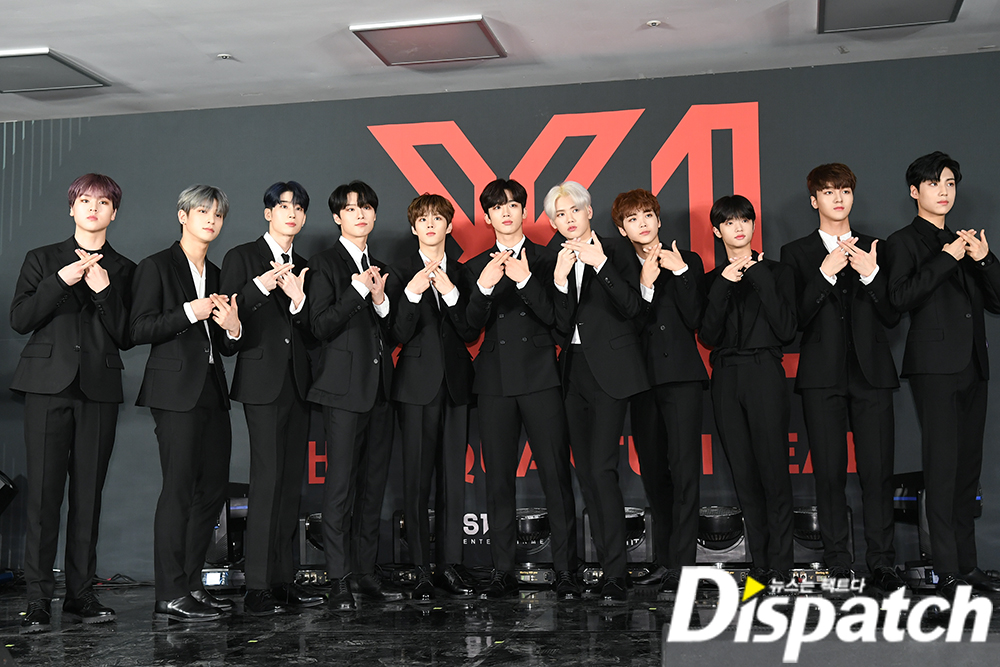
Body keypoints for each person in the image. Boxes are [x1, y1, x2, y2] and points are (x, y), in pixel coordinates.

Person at [11, 174, 135, 633]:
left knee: (88, 497)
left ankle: (81, 594)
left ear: (114, 213)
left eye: (103, 202)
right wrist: (59, 281)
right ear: (72, 208)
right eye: (85, 200)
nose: (93, 208)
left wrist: (103, 291)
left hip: (99, 389)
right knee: (44, 496)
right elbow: (20, 319)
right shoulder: (42, 258)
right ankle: (38, 598)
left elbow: (127, 334)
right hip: (47, 387)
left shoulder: (125, 268)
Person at [780, 164, 903, 591]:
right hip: (821, 377)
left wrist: (870, 273)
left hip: (873, 376)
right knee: (828, 474)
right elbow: (794, 321)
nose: (838, 198)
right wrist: (825, 273)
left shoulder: (877, 248)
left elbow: (892, 315)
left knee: (878, 473)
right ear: (814, 200)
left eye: (845, 191)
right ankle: (837, 560)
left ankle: (882, 561)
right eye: (829, 192)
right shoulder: (796, 253)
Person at [885, 152, 1000, 598]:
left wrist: (985, 259)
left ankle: (968, 566)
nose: (944, 191)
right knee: (942, 468)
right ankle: (946, 570)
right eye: (934, 183)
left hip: (973, 365)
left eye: (950, 183)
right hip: (934, 368)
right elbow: (899, 298)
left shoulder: (965, 240)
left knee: (968, 471)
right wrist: (947, 259)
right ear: (915, 192)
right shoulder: (903, 242)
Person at [465, 178, 580, 600]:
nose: (506, 212)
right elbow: (467, 328)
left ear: (525, 211)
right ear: (488, 216)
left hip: (540, 377)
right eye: (498, 207)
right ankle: (502, 570)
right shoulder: (475, 266)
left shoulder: (549, 258)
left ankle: (566, 570)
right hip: (494, 381)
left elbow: (559, 321)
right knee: (498, 479)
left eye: (513, 205)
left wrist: (527, 279)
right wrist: (484, 287)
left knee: (555, 475)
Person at [131, 184, 241, 622]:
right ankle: (170, 593)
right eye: (202, 212)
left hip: (212, 391)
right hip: (174, 392)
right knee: (178, 490)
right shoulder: (156, 266)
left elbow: (227, 345)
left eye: (218, 215)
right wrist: (189, 313)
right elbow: (139, 328)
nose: (211, 220)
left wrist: (233, 328)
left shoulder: (218, 273)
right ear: (183, 215)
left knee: (212, 491)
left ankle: (192, 584)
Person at [219, 181, 322, 615]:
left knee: (290, 484)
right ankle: (257, 585)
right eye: (283, 206)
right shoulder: (242, 257)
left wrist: (299, 303)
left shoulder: (307, 266)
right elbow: (227, 318)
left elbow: (315, 330)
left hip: (299, 382)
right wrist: (260, 288)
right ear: (268, 213)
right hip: (262, 382)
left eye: (299, 208)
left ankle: (284, 579)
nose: (291, 214)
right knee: (266, 481)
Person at [548, 181, 648, 601]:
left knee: (603, 469)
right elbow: (558, 327)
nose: (569, 219)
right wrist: (558, 280)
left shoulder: (619, 250)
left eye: (575, 210)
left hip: (612, 371)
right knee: (587, 472)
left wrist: (601, 264)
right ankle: (605, 564)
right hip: (572, 372)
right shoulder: (553, 258)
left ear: (589, 211)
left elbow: (634, 308)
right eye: (560, 215)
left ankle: (616, 573)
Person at [307, 180, 399, 610]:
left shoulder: (381, 267)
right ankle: (338, 577)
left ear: (375, 214)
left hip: (379, 389)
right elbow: (319, 325)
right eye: (350, 208)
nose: (359, 214)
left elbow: (392, 331)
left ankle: (364, 572)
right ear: (337, 217)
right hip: (342, 391)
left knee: (372, 488)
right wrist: (358, 292)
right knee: (340, 488)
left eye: (366, 207)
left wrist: (380, 300)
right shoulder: (324, 264)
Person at [611, 188, 707, 593]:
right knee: (654, 473)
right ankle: (665, 560)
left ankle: (684, 566)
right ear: (622, 229)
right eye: (633, 219)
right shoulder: (617, 268)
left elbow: (698, 318)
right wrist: (645, 286)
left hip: (682, 378)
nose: (643, 223)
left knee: (685, 473)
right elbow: (621, 327)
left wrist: (681, 273)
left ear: (659, 219)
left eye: (648, 215)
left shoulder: (690, 260)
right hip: (642, 380)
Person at [699, 194, 797, 584]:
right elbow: (708, 335)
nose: (738, 228)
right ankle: (760, 565)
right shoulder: (711, 281)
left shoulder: (778, 272)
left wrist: (758, 276)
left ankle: (782, 566)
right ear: (717, 230)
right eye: (729, 222)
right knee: (744, 475)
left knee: (774, 472)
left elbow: (787, 329)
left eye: (745, 220)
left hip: (764, 371)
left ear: (754, 225)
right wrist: (724, 284)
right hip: (725, 376)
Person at [386, 193, 479, 600]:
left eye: (437, 218)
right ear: (413, 227)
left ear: (448, 226)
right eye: (422, 219)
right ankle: (420, 568)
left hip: (456, 385)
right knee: (417, 480)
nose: (429, 224)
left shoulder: (462, 272)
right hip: (415, 386)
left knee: (453, 481)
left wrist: (452, 293)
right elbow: (395, 333)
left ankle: (450, 566)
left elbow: (470, 330)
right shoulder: (398, 271)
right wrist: (411, 293)